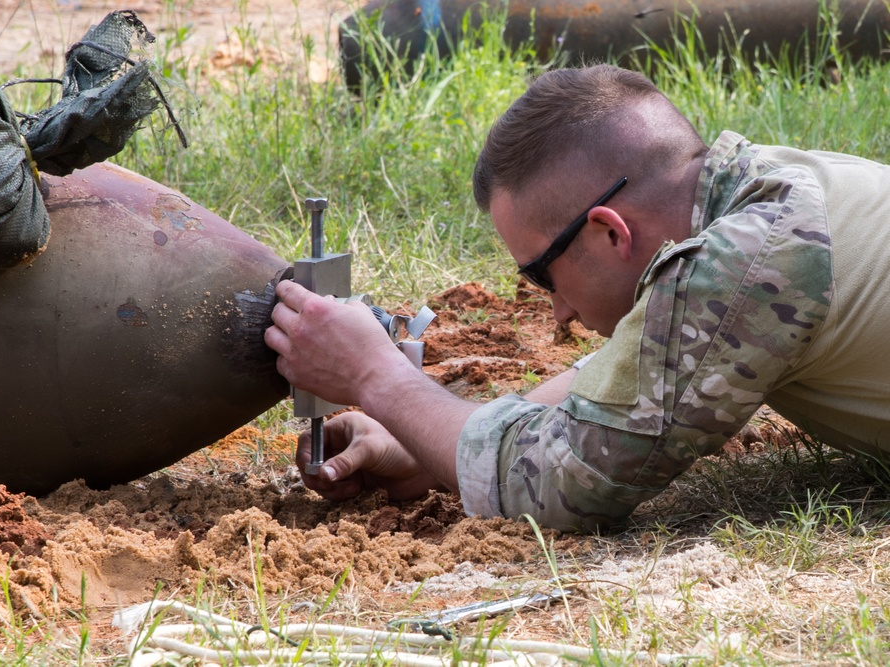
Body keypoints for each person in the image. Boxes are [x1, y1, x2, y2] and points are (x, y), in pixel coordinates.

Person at [265, 64, 890, 532]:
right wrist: (427, 444)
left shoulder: (754, 257)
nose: (557, 311)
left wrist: (378, 379)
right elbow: (649, 362)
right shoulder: (762, 192)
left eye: (543, 275)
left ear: (610, 231)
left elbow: (567, 484)